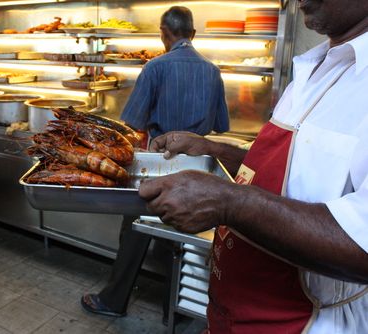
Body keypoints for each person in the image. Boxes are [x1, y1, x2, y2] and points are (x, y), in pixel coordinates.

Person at [139, 0, 368, 332]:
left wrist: (229, 202)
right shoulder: (314, 68)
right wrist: (212, 149)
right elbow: (279, 172)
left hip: (303, 323)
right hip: (235, 314)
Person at [81, 6, 229, 324]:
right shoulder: (213, 70)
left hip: (158, 164)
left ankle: (113, 300)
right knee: (181, 239)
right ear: (193, 34)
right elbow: (221, 125)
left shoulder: (156, 67)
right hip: (197, 167)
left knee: (135, 232)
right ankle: (175, 312)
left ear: (164, 32)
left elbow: (133, 122)